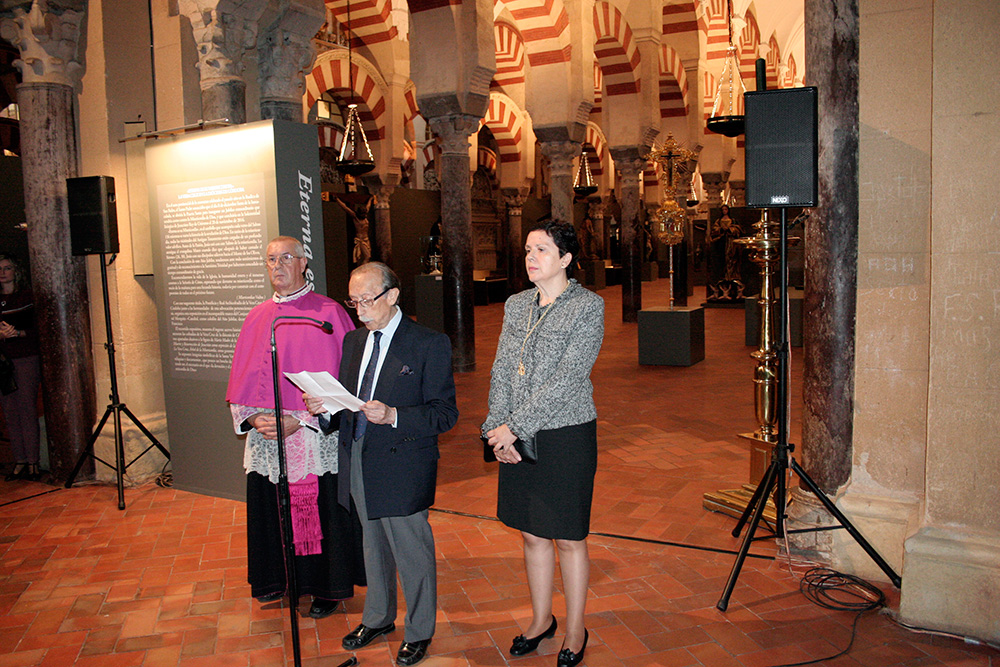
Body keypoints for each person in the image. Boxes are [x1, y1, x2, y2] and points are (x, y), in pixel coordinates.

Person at [305, 261, 458, 667]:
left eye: (366, 299)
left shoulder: (428, 343)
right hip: (357, 454)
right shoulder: (354, 341)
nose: (359, 309)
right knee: (372, 545)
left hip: (402, 460)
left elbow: (445, 414)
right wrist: (325, 408)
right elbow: (347, 403)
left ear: (392, 295)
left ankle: (419, 630)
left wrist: (393, 415)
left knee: (411, 551)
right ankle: (378, 617)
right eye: (353, 301)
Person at [482, 219, 604, 667]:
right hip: (515, 434)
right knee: (532, 533)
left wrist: (515, 426)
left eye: (542, 250)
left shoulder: (587, 306)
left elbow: (569, 378)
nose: (531, 257)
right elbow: (501, 369)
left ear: (566, 259)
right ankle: (540, 620)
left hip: (566, 434)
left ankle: (575, 629)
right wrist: (496, 428)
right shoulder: (516, 304)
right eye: (529, 250)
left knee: (568, 536)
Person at [226, 236, 362, 619]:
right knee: (272, 509)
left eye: (286, 257)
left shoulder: (328, 313)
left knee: (319, 512)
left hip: (313, 435)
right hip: (268, 436)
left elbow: (345, 385)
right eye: (271, 259)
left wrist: (299, 420)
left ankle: (325, 587)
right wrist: (253, 418)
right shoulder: (257, 316)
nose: (278, 266)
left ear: (304, 263)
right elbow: (243, 379)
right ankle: (280, 579)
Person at [0, 253, 42, 482]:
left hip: (26, 358)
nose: (2, 273)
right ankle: (19, 461)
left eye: (7, 268)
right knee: (10, 411)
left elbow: (40, 330)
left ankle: (33, 462)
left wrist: (18, 333)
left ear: (16, 271)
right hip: (3, 361)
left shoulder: (27, 296)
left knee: (27, 409)